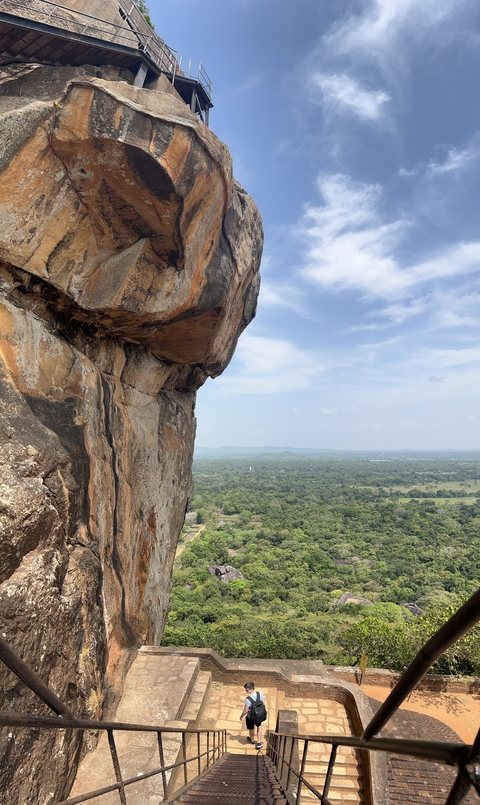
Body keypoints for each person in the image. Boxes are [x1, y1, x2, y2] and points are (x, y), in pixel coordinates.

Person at [239, 681, 267, 749]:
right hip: (258, 715)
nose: (246, 691)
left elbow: (246, 711)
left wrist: (241, 716)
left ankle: (252, 741)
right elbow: (264, 704)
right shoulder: (260, 693)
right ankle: (259, 742)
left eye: (246, 690)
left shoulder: (248, 699)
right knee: (259, 727)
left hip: (250, 716)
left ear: (250, 689)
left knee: (251, 729)